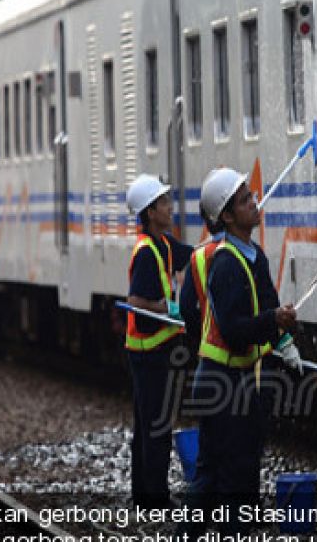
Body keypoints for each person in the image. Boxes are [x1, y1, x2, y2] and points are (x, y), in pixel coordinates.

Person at [179, 168, 304, 535]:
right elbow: (234, 331)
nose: (254, 202)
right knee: (233, 477)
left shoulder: (254, 256)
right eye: (245, 200)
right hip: (223, 381)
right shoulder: (226, 265)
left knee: (219, 474)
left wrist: (286, 341)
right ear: (228, 216)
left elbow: (268, 305)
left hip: (235, 381)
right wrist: (273, 319)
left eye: (251, 195)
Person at [124, 173, 193, 509]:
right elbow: (136, 301)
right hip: (148, 353)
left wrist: (219, 245)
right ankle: (154, 498)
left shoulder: (163, 245)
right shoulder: (147, 252)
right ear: (150, 212)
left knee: (150, 423)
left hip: (156, 349)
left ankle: (144, 494)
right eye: (164, 203)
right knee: (157, 426)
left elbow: (191, 256)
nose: (170, 207)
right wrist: (168, 307)